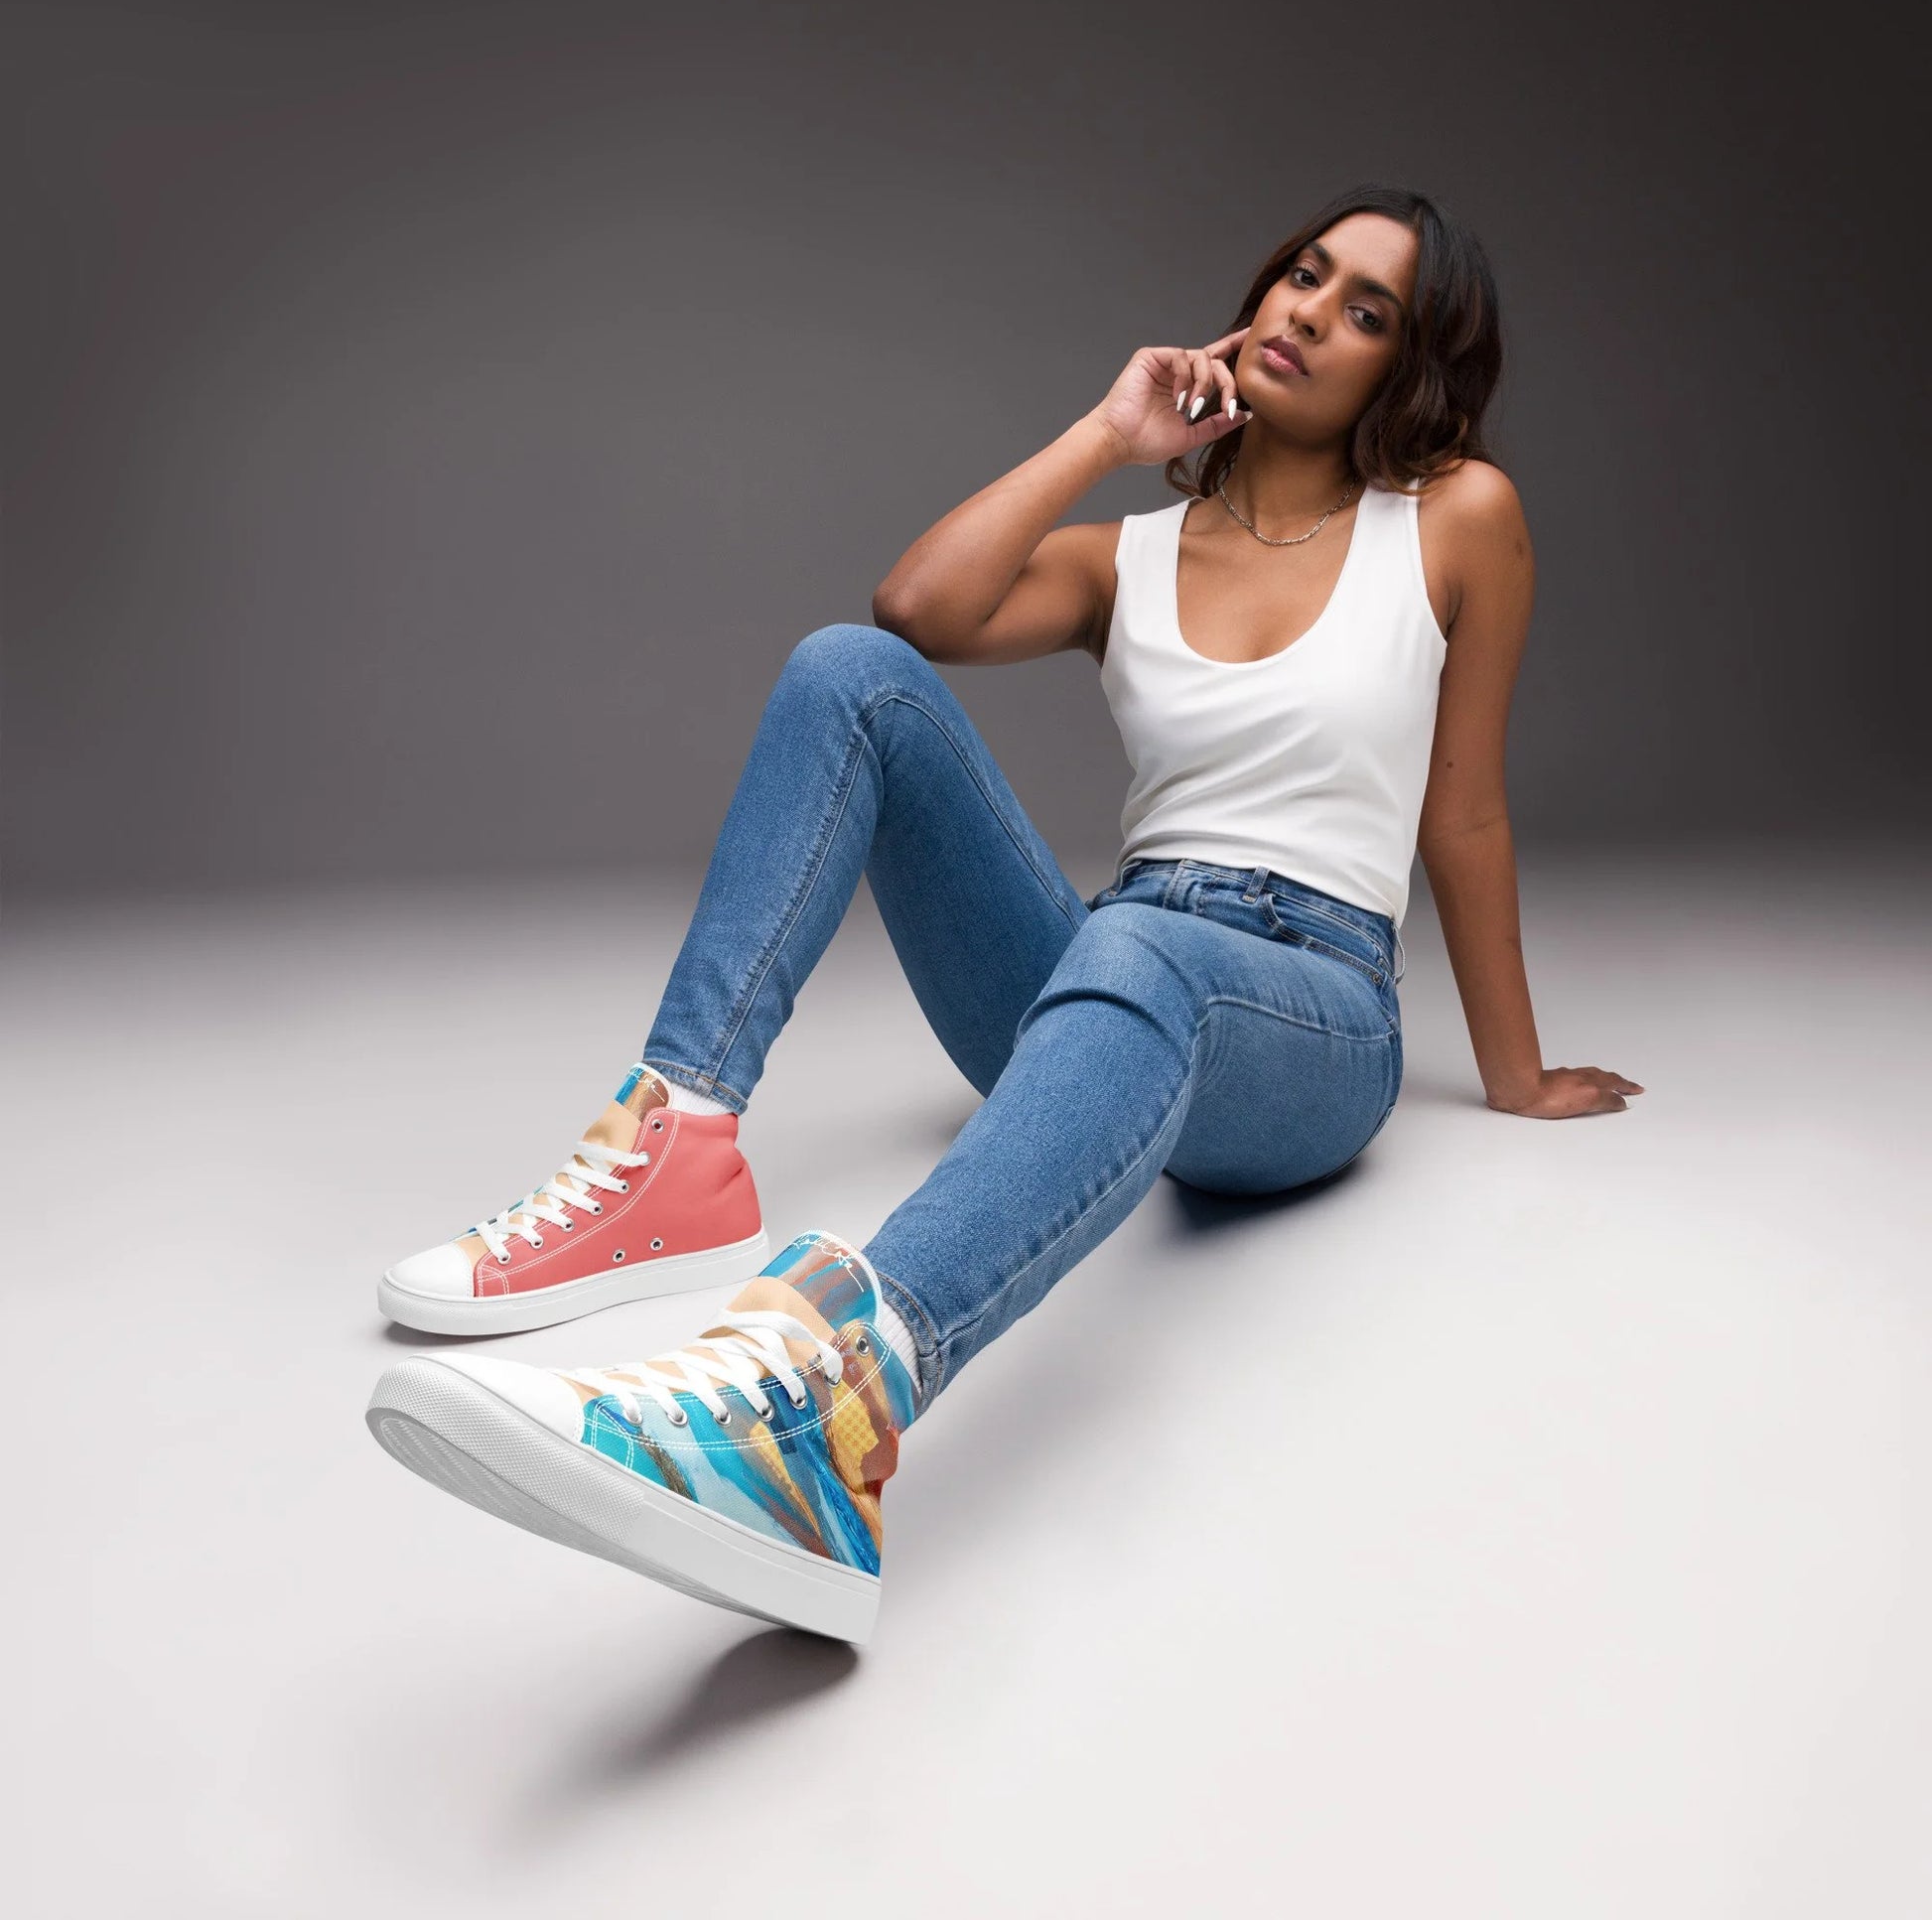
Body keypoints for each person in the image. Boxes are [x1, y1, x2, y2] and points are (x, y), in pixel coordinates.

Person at [365, 184, 1643, 1646]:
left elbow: (1462, 813)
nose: (1308, 311)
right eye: (1303, 273)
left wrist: (1514, 1073)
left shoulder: (1456, 518)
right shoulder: (1130, 556)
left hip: (1310, 1016)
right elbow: (916, 608)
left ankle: (820, 1417)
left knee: (1141, 948)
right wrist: (1107, 433)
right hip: (1109, 975)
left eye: (1367, 311)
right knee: (847, 673)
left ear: (1405, 368)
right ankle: (678, 1144)